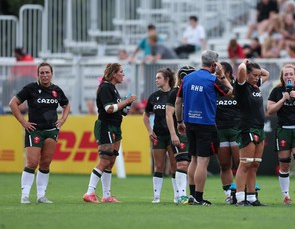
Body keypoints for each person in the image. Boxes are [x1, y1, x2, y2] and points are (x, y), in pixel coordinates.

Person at [175, 50, 233, 206]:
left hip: (189, 123)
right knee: (202, 161)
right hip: (206, 124)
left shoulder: (187, 79)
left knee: (193, 159)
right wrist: (222, 75)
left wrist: (180, 121)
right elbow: (232, 94)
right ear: (214, 64)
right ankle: (199, 198)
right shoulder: (213, 79)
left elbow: (178, 102)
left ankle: (192, 195)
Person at [9, 62, 71, 204]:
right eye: (41, 73)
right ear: (38, 75)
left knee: (45, 163)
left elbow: (66, 105)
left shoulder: (56, 90)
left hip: (51, 131)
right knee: (32, 162)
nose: (44, 75)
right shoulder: (30, 88)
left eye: (47, 72)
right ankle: (25, 195)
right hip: (34, 130)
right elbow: (13, 103)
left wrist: (63, 119)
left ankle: (41, 196)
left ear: (51, 74)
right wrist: (23, 122)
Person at [83, 63, 137, 203]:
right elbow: (109, 109)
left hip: (115, 126)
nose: (123, 74)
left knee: (110, 162)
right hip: (105, 126)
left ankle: (107, 196)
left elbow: (121, 111)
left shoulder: (112, 88)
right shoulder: (105, 87)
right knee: (104, 160)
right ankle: (89, 193)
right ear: (113, 74)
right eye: (121, 72)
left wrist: (128, 104)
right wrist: (126, 101)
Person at [267, 64, 295, 205]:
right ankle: (286, 196)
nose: (289, 76)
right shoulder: (277, 91)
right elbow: (270, 110)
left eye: (291, 74)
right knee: (284, 165)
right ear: (282, 77)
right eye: (286, 74)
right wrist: (283, 100)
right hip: (283, 129)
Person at [235, 59, 269, 206]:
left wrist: (255, 70)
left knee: (254, 165)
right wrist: (244, 63)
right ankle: (240, 198)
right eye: (254, 75)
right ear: (247, 74)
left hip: (259, 128)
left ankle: (251, 198)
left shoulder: (255, 86)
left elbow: (266, 73)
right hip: (247, 128)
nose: (257, 77)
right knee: (245, 164)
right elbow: (241, 70)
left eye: (257, 75)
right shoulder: (242, 87)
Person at [143, 68, 178, 203]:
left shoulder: (175, 94)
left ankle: (177, 196)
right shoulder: (154, 96)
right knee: (158, 165)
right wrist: (149, 131)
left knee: (175, 165)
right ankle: (156, 197)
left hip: (172, 135)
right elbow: (145, 115)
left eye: (159, 78)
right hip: (159, 135)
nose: (156, 80)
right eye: (156, 78)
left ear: (167, 79)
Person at [166, 65, 196, 204]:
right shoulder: (175, 93)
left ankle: (193, 195)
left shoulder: (196, 92)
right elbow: (168, 115)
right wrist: (173, 134)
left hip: (195, 131)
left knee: (193, 164)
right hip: (180, 132)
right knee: (182, 164)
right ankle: (181, 195)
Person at [215, 62, 241, 203]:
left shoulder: (237, 86)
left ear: (229, 73)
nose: (218, 75)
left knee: (239, 163)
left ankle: (241, 192)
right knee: (224, 165)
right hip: (220, 130)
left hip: (236, 129)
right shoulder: (214, 87)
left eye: (221, 72)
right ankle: (229, 194)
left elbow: (238, 96)